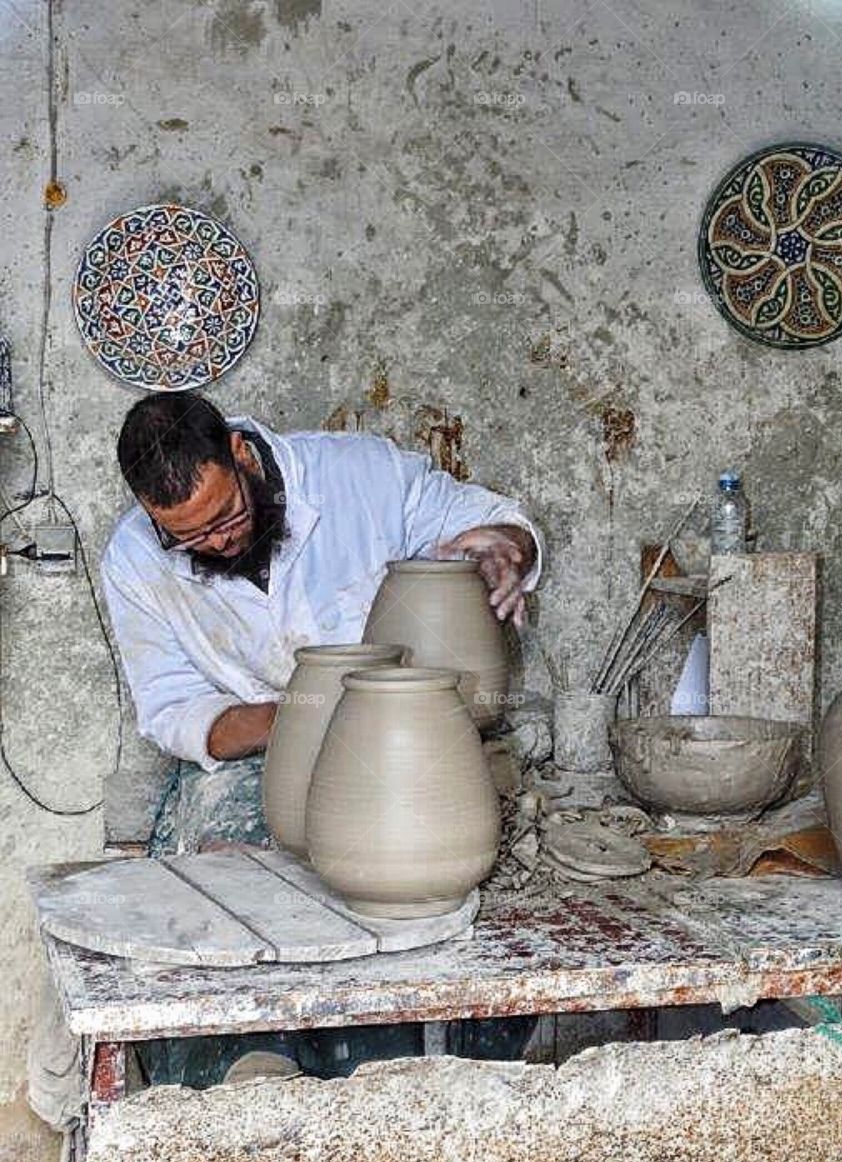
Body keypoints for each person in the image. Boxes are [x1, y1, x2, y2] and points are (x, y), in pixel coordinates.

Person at [96, 391, 542, 1086]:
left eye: (226, 516)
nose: (216, 541)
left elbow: (485, 522)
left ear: (240, 456)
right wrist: (298, 716)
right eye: (187, 536)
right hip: (260, 755)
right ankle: (248, 1071)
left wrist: (500, 550)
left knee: (455, 897)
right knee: (225, 881)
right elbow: (172, 707)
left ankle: (409, 1076)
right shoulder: (132, 558)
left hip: (408, 748)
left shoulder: (358, 476)